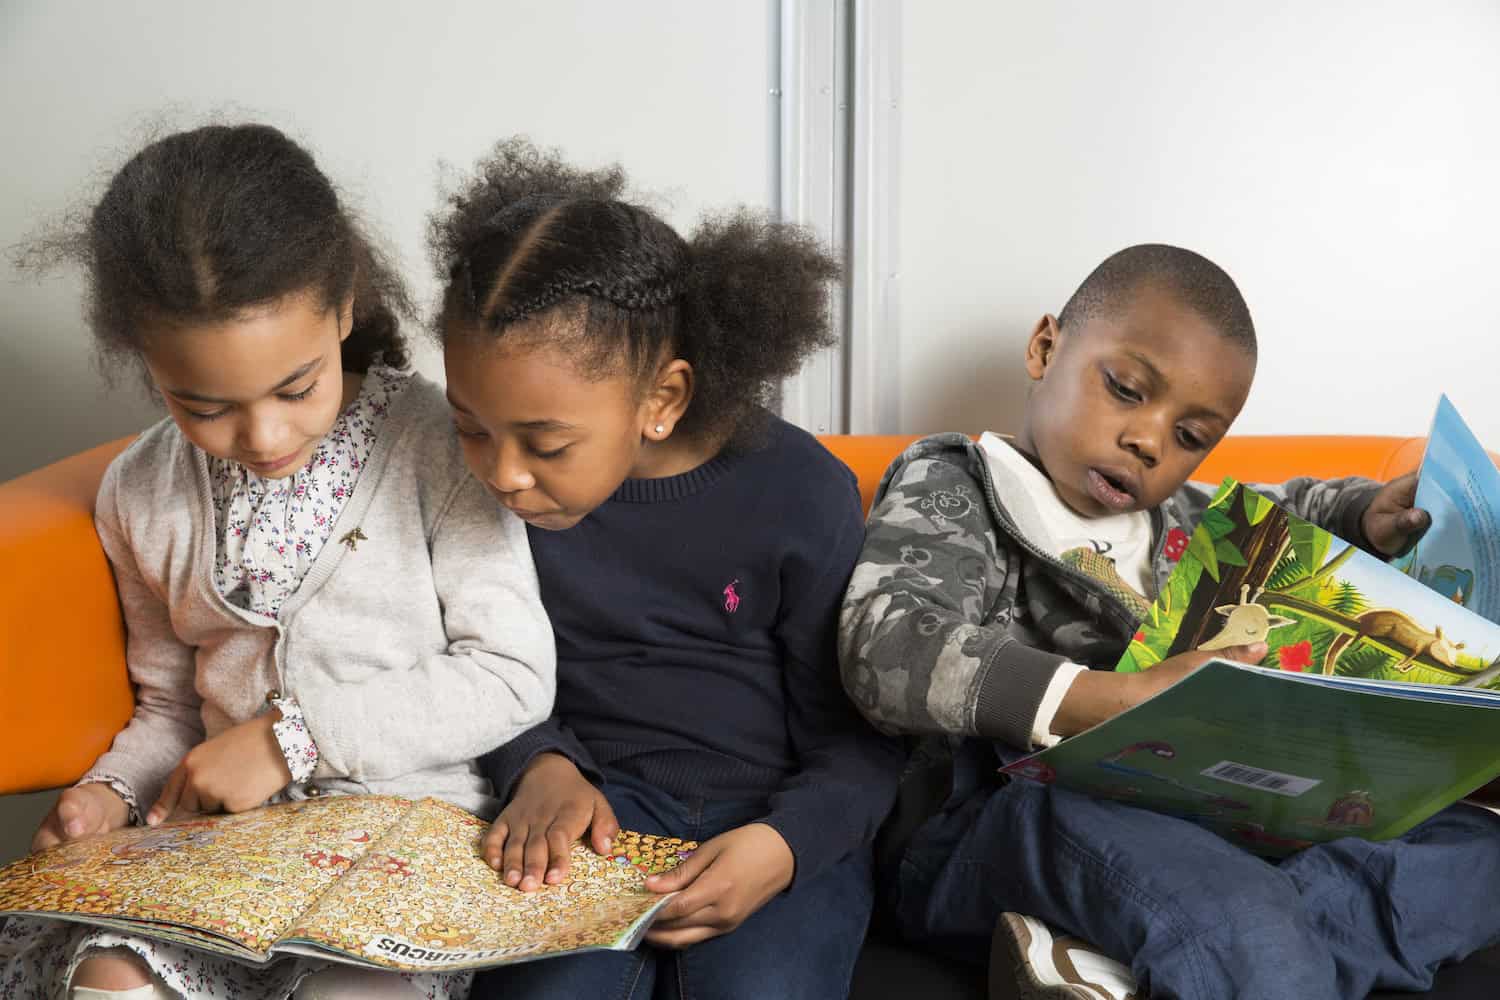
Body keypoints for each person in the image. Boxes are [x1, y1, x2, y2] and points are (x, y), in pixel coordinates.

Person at [839, 244, 1500, 999]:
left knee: (1478, 849)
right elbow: (883, 641)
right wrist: (1109, 699)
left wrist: (1364, 516)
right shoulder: (960, 482)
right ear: (1045, 348)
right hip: (1007, 812)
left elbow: (1290, 507)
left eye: (1191, 437)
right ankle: (1235, 936)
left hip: (1197, 815)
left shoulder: (1182, 519)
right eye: (1125, 389)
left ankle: (1123, 958)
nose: (1149, 441)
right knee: (1240, 924)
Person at [1, 123, 555, 1000]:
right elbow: (172, 708)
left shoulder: (440, 446)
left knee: (351, 995)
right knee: (110, 978)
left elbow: (512, 674)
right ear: (145, 358)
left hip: (405, 834)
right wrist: (109, 791)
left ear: (342, 308)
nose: (263, 436)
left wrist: (289, 739)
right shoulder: (139, 492)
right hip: (222, 849)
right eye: (204, 404)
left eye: (297, 387)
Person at [430, 137, 903, 999]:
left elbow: (863, 733)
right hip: (581, 816)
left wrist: (785, 848)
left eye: (546, 443)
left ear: (662, 401)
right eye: (471, 426)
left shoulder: (802, 492)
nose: (501, 475)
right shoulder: (468, 495)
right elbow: (464, 663)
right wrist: (539, 762)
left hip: (773, 824)